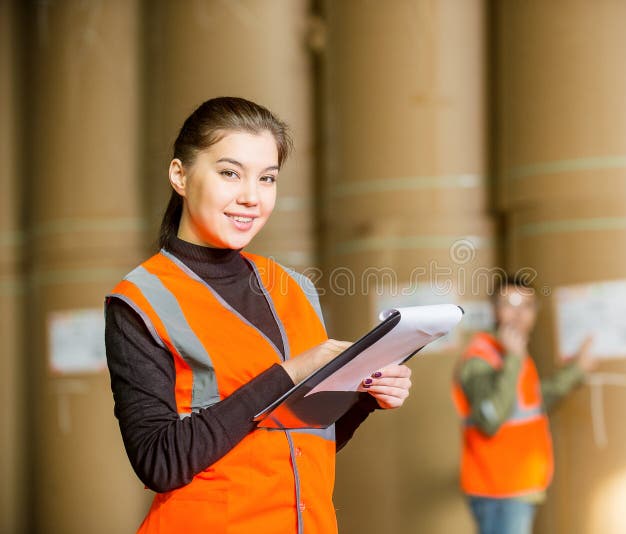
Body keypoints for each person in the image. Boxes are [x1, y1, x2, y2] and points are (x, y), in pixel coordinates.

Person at [105, 96, 412, 534]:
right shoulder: (140, 301)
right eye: (230, 173)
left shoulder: (294, 289)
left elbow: (299, 443)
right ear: (180, 175)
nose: (251, 197)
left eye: (267, 178)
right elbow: (160, 461)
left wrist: (365, 395)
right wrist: (288, 374)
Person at [451, 275, 595, 534]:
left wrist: (576, 370)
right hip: (497, 490)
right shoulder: (482, 357)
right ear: (495, 309)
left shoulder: (514, 353)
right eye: (509, 305)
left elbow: (534, 402)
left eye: (526, 306)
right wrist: (513, 359)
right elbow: (491, 420)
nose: (518, 315)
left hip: (519, 486)